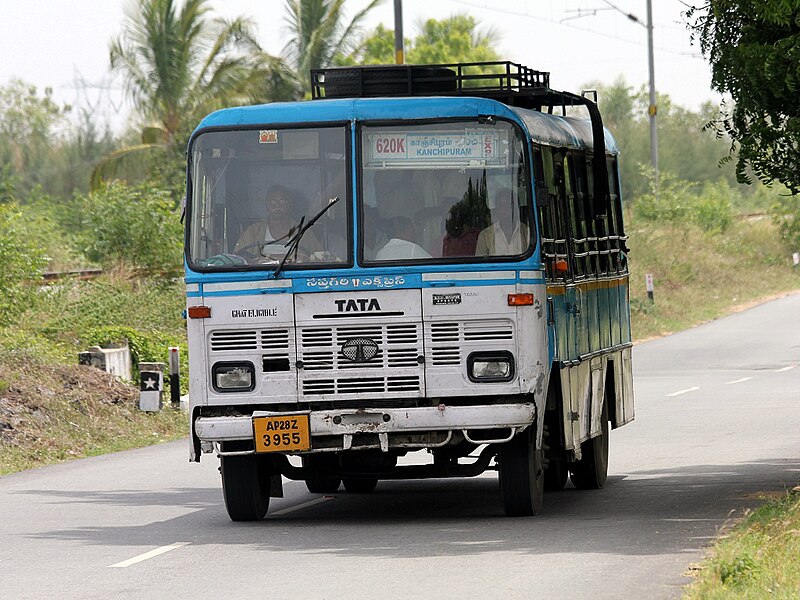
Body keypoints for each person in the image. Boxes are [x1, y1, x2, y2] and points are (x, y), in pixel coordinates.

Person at [234, 184, 320, 261]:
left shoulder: (303, 231)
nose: (277, 205)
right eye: (273, 201)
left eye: (282, 201)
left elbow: (320, 257)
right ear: (267, 205)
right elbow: (238, 258)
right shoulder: (253, 231)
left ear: (290, 205)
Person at [475, 187, 530, 256]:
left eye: (507, 205)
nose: (503, 210)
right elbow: (482, 265)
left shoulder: (527, 233)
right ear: (496, 209)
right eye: (500, 205)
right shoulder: (485, 235)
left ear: (515, 208)